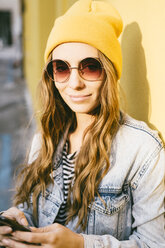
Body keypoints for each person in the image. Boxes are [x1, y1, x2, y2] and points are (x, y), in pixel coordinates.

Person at [0, 0, 164, 247]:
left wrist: (80, 243)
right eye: (61, 68)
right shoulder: (46, 137)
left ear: (109, 72)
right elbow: (33, 211)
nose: (74, 83)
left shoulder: (143, 150)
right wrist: (17, 218)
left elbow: (155, 244)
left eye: (90, 67)